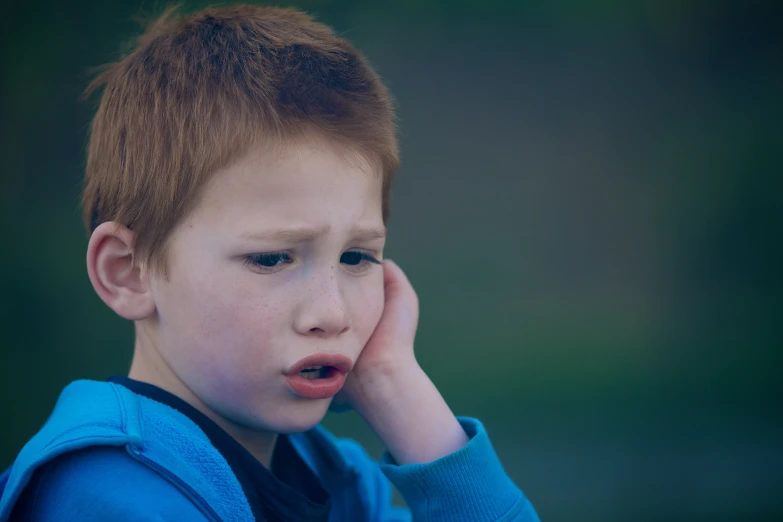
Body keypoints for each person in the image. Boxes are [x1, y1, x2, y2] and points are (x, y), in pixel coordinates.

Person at [0, 4, 540, 521]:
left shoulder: (335, 477)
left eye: (357, 257)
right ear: (129, 272)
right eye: (272, 258)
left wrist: (394, 384)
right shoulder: (105, 498)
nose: (331, 314)